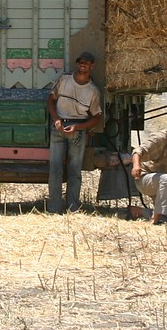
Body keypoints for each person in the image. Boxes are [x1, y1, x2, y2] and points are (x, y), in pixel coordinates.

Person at [46, 51, 103, 213]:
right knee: (55, 169)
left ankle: (73, 208)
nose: (82, 65)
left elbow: (97, 117)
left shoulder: (93, 91)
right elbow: (50, 99)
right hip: (58, 127)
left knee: (74, 171)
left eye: (86, 63)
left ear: (92, 66)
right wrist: (56, 119)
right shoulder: (65, 80)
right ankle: (54, 208)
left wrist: (78, 127)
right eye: (80, 62)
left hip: (77, 131)